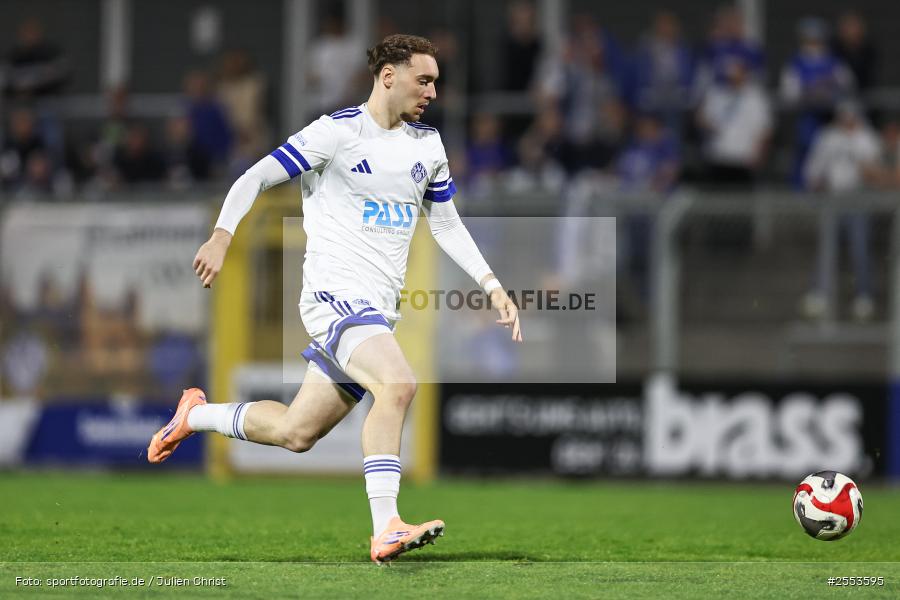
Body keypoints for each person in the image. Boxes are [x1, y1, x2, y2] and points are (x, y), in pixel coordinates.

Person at [146, 34, 523, 564]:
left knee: (296, 432)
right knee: (399, 383)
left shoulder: (427, 146)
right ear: (388, 76)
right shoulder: (336, 133)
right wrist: (222, 234)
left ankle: (195, 416)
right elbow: (256, 175)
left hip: (376, 313)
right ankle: (386, 526)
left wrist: (490, 284)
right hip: (335, 299)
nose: (434, 92)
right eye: (425, 80)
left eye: (436, 81)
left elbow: (445, 223)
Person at [802, 101, 882, 321]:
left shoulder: (867, 137)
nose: (848, 121)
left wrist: (863, 167)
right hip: (832, 199)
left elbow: (874, 171)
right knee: (826, 248)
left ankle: (864, 295)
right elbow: (814, 167)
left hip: (858, 198)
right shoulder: (828, 137)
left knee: (860, 249)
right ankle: (820, 293)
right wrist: (815, 182)